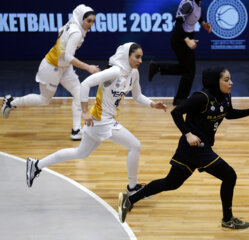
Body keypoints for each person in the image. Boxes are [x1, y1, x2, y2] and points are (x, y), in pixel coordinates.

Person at [119, 67, 249, 230]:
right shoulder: (201, 98)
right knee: (230, 176)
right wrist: (188, 134)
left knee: (171, 183)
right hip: (196, 149)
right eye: (226, 80)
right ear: (214, 82)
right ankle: (227, 219)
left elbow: (228, 113)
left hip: (194, 149)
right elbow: (176, 113)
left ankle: (129, 200)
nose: (231, 82)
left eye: (230, 79)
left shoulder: (225, 96)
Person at [25, 42, 168, 195]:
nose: (140, 60)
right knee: (135, 146)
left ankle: (36, 164)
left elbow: (138, 95)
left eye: (141, 57)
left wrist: (153, 104)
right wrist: (85, 111)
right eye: (137, 57)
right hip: (101, 120)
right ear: (127, 56)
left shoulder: (133, 73)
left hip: (101, 120)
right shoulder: (114, 71)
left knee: (80, 153)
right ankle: (132, 188)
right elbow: (86, 83)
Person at [1, 4, 101, 140]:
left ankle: (76, 130)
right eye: (88, 21)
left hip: (64, 67)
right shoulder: (76, 32)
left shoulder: (73, 23)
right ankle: (11, 102)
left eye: (93, 21)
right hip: (51, 67)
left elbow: (60, 32)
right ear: (80, 18)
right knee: (44, 100)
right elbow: (68, 57)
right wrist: (88, 67)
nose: (91, 24)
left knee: (79, 93)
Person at [148, 0, 212, 106]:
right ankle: (180, 99)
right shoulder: (188, 4)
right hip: (180, 39)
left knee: (186, 68)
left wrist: (203, 23)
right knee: (189, 70)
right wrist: (187, 40)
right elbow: (178, 24)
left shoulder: (197, 2)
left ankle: (158, 67)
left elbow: (195, 14)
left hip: (187, 37)